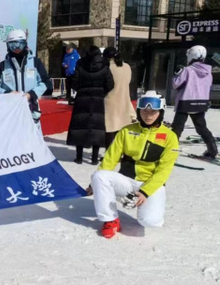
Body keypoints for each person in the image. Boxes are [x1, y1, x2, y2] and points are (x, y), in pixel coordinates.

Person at [88, 91, 179, 238]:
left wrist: (145, 191)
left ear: (160, 112)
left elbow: (164, 170)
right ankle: (110, 220)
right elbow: (110, 158)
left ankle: (147, 204)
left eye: (153, 111)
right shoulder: (127, 131)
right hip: (127, 181)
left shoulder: (170, 137)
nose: (148, 115)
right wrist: (94, 185)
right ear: (139, 111)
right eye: (144, 111)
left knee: (150, 222)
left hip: (150, 184)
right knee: (99, 177)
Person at [66, 46, 114, 164]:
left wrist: (81, 89)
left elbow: (74, 81)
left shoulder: (80, 63)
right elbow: (110, 83)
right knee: (96, 127)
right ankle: (94, 158)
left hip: (82, 97)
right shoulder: (105, 64)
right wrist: (101, 92)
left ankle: (79, 157)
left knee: (80, 126)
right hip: (98, 98)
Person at [0, 29, 51, 124]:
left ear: (25, 44)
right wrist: (8, 93)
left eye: (20, 44)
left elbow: (45, 82)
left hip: (30, 106)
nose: (16, 48)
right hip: (9, 109)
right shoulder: (2, 66)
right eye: (12, 45)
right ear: (7, 45)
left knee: (31, 136)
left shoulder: (35, 62)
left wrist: (31, 94)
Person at [171, 45, 217, 159]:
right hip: (201, 102)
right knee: (201, 127)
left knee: (177, 128)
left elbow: (176, 84)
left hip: (185, 102)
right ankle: (213, 150)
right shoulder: (208, 72)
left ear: (192, 55)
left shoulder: (187, 70)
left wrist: (177, 73)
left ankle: (170, 150)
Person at [102, 47, 136, 148]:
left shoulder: (107, 67)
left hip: (109, 99)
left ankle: (109, 153)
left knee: (110, 128)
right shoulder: (127, 66)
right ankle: (119, 151)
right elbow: (128, 81)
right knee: (121, 127)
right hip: (124, 98)